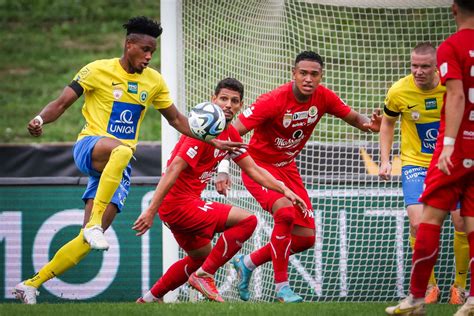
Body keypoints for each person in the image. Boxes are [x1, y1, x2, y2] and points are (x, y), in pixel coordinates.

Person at [13, 16, 242, 305]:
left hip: (117, 170)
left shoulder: (154, 81)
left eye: (153, 53)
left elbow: (176, 120)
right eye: (145, 50)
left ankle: (31, 284)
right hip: (91, 147)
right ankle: (95, 225)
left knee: (86, 240)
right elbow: (61, 103)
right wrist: (39, 119)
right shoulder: (96, 70)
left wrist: (212, 140)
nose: (148, 57)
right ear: (129, 45)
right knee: (122, 150)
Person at [215, 51, 382, 302]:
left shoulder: (323, 97)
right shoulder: (272, 101)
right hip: (258, 168)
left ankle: (248, 262)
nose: (308, 78)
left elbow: (355, 117)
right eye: (303, 73)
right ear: (293, 74)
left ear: (320, 76)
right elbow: (231, 133)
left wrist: (370, 124)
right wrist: (223, 169)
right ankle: (282, 288)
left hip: (288, 168)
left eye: (314, 74)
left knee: (306, 238)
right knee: (284, 212)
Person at [132, 78, 307, 303]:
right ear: (213, 100)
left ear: (240, 106)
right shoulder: (202, 130)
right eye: (223, 99)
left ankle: (149, 299)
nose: (228, 105)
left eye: (234, 101)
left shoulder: (231, 135)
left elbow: (253, 169)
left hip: (182, 204)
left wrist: (284, 189)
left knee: (200, 257)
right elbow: (174, 167)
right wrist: (150, 210)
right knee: (248, 221)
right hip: (179, 203)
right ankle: (205, 275)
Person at [385, 0, 474, 315]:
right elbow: (387, 121)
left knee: (451, 221)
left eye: (425, 66)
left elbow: (459, 97)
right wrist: (385, 158)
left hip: (455, 152)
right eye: (414, 66)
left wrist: (449, 143)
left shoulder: (453, 60)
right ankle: (441, 290)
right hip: (419, 163)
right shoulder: (399, 91)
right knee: (423, 220)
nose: (419, 71)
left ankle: (441, 291)